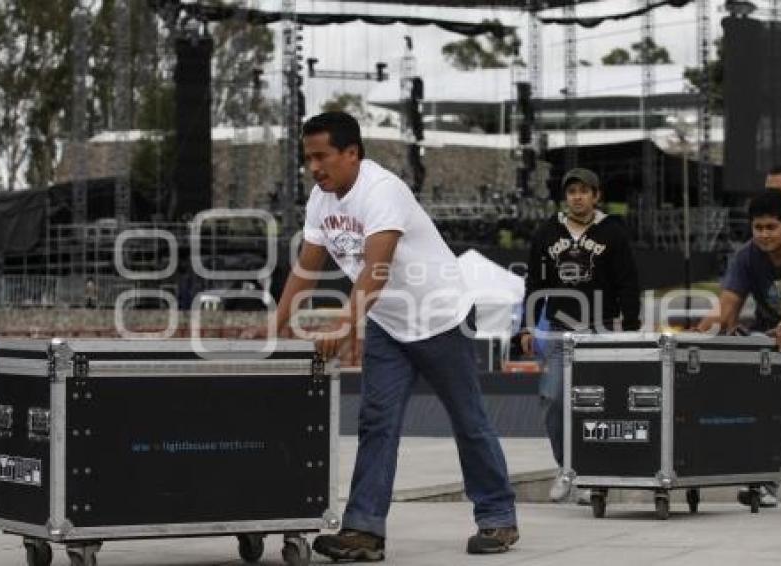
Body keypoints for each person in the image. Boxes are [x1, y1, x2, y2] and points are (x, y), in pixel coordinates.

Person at [259, 112, 518, 560]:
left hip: (441, 317)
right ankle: (364, 531)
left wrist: (343, 325)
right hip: (389, 322)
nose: (314, 168)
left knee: (468, 420)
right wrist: (275, 326)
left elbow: (375, 270)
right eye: (308, 158)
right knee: (376, 422)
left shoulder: (382, 191)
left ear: (352, 153)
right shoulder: (321, 202)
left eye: (322, 157)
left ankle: (497, 518)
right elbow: (307, 267)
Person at [520, 168, 641, 502]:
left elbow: (628, 282)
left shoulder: (613, 232)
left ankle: (591, 475)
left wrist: (630, 328)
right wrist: (527, 326)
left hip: (600, 330)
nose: (578, 196)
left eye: (584, 191)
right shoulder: (547, 232)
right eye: (572, 191)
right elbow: (535, 283)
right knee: (553, 398)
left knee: (596, 405)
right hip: (560, 332)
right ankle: (566, 468)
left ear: (596, 195)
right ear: (565, 197)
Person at [697, 190, 781, 511]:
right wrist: (711, 324)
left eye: (771, 227)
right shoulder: (746, 257)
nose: (764, 235)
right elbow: (729, 304)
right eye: (758, 228)